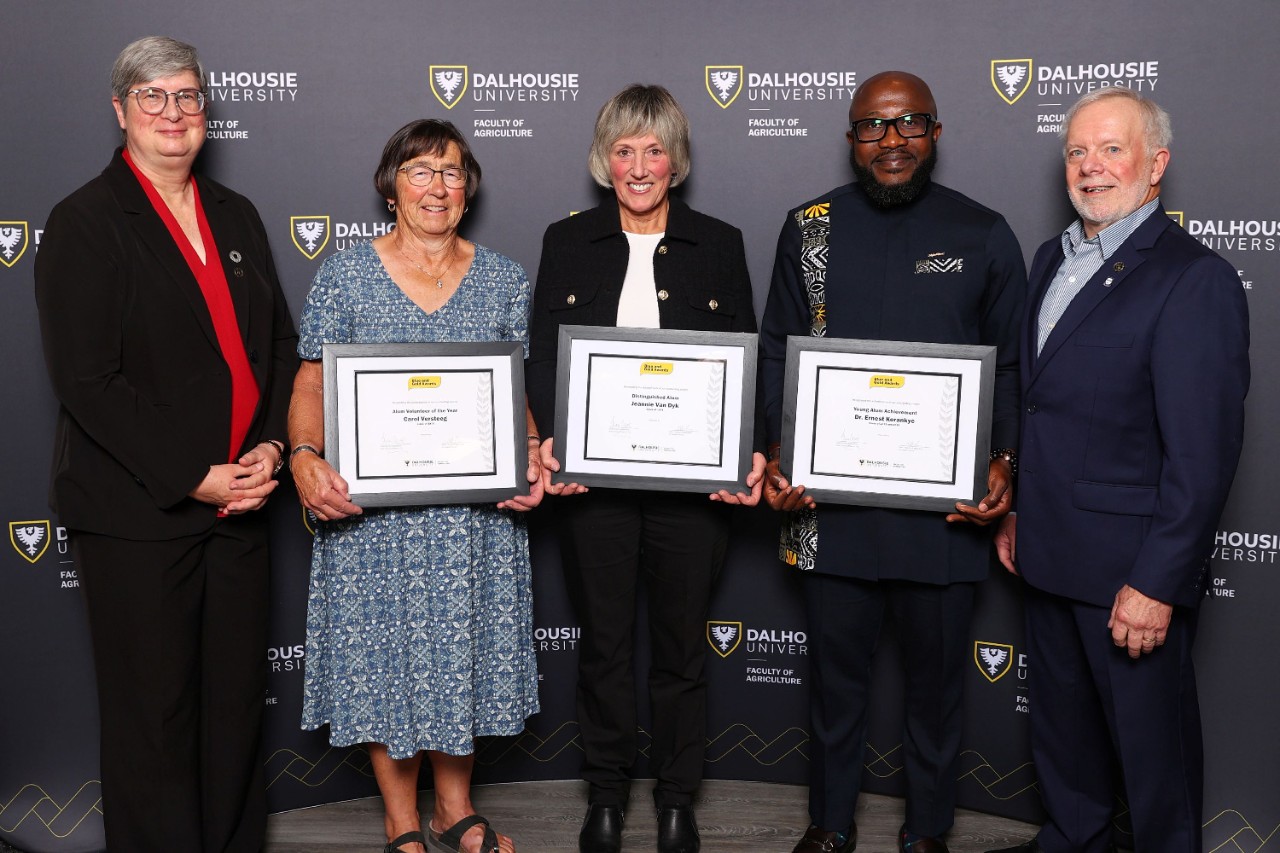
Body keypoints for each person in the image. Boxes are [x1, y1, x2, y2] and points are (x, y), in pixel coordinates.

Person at [33, 36, 298, 852]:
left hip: (243, 508)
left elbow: (279, 350)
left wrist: (272, 451)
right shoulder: (84, 221)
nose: (174, 113)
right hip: (140, 517)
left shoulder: (236, 214)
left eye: (187, 96)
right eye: (153, 97)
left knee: (231, 714)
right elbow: (88, 383)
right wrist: (195, 476)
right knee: (154, 719)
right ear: (121, 111)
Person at [760, 71, 1026, 853]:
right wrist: (777, 450)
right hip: (827, 509)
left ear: (935, 133)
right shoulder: (808, 227)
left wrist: (1005, 459)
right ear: (851, 141)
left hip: (944, 517)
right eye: (873, 128)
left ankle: (929, 831)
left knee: (937, 690)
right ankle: (831, 824)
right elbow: (778, 348)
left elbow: (1010, 365)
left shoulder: (984, 232)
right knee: (836, 687)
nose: (891, 141)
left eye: (909, 124)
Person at [985, 88, 1249, 853]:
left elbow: (1202, 454)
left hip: (1130, 578)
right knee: (1066, 766)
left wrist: (1158, 581)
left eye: (1110, 149)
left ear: (1156, 162)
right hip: (1048, 556)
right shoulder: (1050, 259)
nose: (1090, 167)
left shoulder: (1192, 279)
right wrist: (1018, 512)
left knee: (1154, 770)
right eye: (1076, 151)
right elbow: (1044, 408)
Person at [288, 119, 543, 853]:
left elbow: (512, 388)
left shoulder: (502, 276)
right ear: (390, 186)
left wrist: (527, 452)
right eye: (421, 170)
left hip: (473, 519)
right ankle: (401, 816)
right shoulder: (343, 272)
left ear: (470, 190)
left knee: (462, 649)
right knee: (386, 656)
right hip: (376, 516)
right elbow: (311, 378)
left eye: (454, 172)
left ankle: (453, 808)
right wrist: (305, 454)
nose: (439, 186)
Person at [527, 84, 764, 853]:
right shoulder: (566, 242)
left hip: (692, 492)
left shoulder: (719, 242)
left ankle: (675, 798)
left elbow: (746, 363)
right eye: (624, 149)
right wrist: (551, 443)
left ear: (676, 159)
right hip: (590, 489)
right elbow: (540, 362)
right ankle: (603, 795)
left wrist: (745, 451)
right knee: (602, 646)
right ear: (605, 160)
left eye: (654, 149)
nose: (639, 165)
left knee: (680, 649)